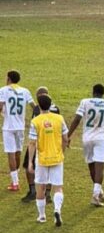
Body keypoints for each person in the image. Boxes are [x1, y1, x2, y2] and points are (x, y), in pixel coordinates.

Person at [67, 84, 104, 207]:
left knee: (91, 166)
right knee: (100, 167)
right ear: (103, 93)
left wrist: (68, 135)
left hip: (86, 138)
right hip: (100, 139)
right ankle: (95, 196)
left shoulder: (85, 102)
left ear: (93, 92)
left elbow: (77, 119)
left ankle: (99, 191)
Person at [26, 94, 68, 226]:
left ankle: (42, 216)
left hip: (42, 159)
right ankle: (57, 210)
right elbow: (65, 138)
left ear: (38, 105)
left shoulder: (36, 121)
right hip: (57, 158)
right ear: (51, 105)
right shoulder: (59, 119)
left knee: (41, 187)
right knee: (58, 187)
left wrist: (30, 162)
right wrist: (61, 151)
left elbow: (32, 143)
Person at [21, 87, 60, 203]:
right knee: (49, 167)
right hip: (52, 142)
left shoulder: (38, 109)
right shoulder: (56, 108)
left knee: (28, 166)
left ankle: (33, 191)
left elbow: (35, 125)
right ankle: (47, 194)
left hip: (38, 142)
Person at [0, 70, 35, 192]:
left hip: (9, 127)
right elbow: (34, 107)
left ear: (9, 79)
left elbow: (0, 106)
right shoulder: (25, 91)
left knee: (10, 153)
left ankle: (15, 182)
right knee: (18, 152)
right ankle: (16, 176)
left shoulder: (3, 90)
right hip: (20, 126)